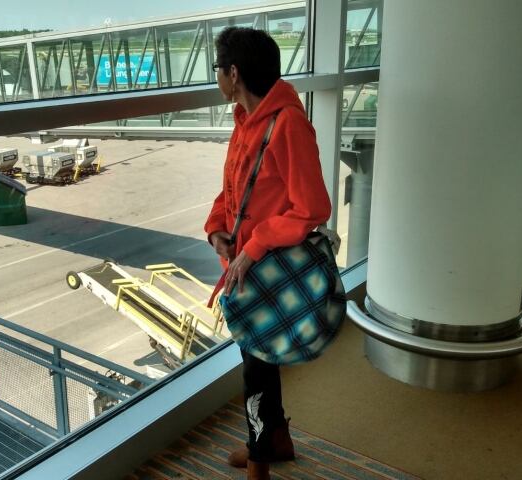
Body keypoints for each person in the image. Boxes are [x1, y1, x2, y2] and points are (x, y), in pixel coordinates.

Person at [204, 26, 332, 480]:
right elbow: (234, 190)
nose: (216, 76)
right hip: (247, 268)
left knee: (255, 371)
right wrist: (217, 228)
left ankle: (260, 463)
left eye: (217, 68)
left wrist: (253, 246)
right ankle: (275, 439)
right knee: (260, 359)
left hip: (269, 268)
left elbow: (313, 207)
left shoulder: (288, 124)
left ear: (233, 73)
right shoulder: (245, 120)